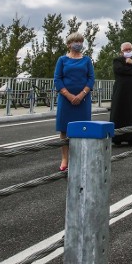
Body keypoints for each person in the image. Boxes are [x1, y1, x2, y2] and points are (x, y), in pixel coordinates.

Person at [54, 32, 95, 171]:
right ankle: (65, 159)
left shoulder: (87, 60)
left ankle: (80, 158)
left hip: (83, 100)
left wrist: (82, 93)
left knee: (83, 129)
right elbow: (57, 79)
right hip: (66, 100)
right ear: (69, 44)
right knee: (64, 130)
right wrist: (69, 95)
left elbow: (91, 78)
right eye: (75, 41)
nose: (78, 44)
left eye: (80, 41)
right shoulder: (62, 60)